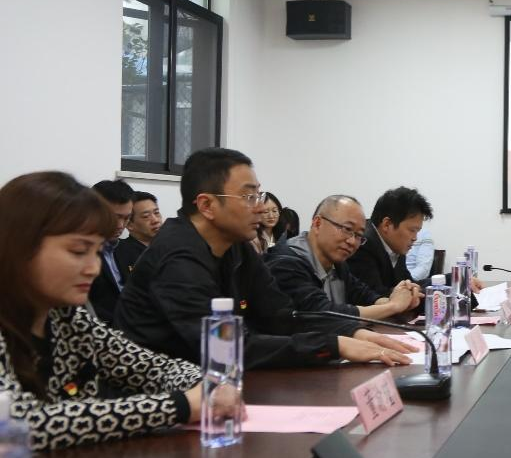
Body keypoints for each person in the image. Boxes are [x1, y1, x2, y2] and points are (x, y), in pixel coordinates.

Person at [115, 147, 412, 370]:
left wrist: (351, 331)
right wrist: (332, 345)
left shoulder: (236, 246)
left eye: (259, 195)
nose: (260, 207)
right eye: (249, 197)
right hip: (161, 400)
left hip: (219, 386)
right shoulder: (177, 258)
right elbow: (227, 348)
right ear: (206, 205)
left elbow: (281, 315)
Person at [0, 172, 236, 451]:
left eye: (97, 252)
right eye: (78, 251)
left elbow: (154, 368)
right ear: (20, 247)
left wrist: (210, 386)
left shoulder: (68, 319)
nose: (93, 268)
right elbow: (18, 425)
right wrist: (179, 406)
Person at [267, 195, 422, 321]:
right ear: (318, 223)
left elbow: (364, 295)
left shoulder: (337, 263)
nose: (352, 241)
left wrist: (401, 299)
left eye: (359, 235)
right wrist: (392, 306)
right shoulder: (286, 262)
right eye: (347, 229)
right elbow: (323, 314)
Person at [348, 187, 432, 296]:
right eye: (412, 230)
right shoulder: (362, 245)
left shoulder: (395, 245)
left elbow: (409, 284)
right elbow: (374, 297)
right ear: (387, 224)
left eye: (417, 231)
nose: (415, 238)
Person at [87, 179, 134, 326]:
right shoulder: (82, 254)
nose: (120, 225)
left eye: (127, 218)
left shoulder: (127, 250)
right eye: (115, 217)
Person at [114, 190, 162, 276]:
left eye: (156, 213)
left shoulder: (172, 247)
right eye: (146, 216)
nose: (155, 220)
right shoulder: (118, 252)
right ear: (129, 224)